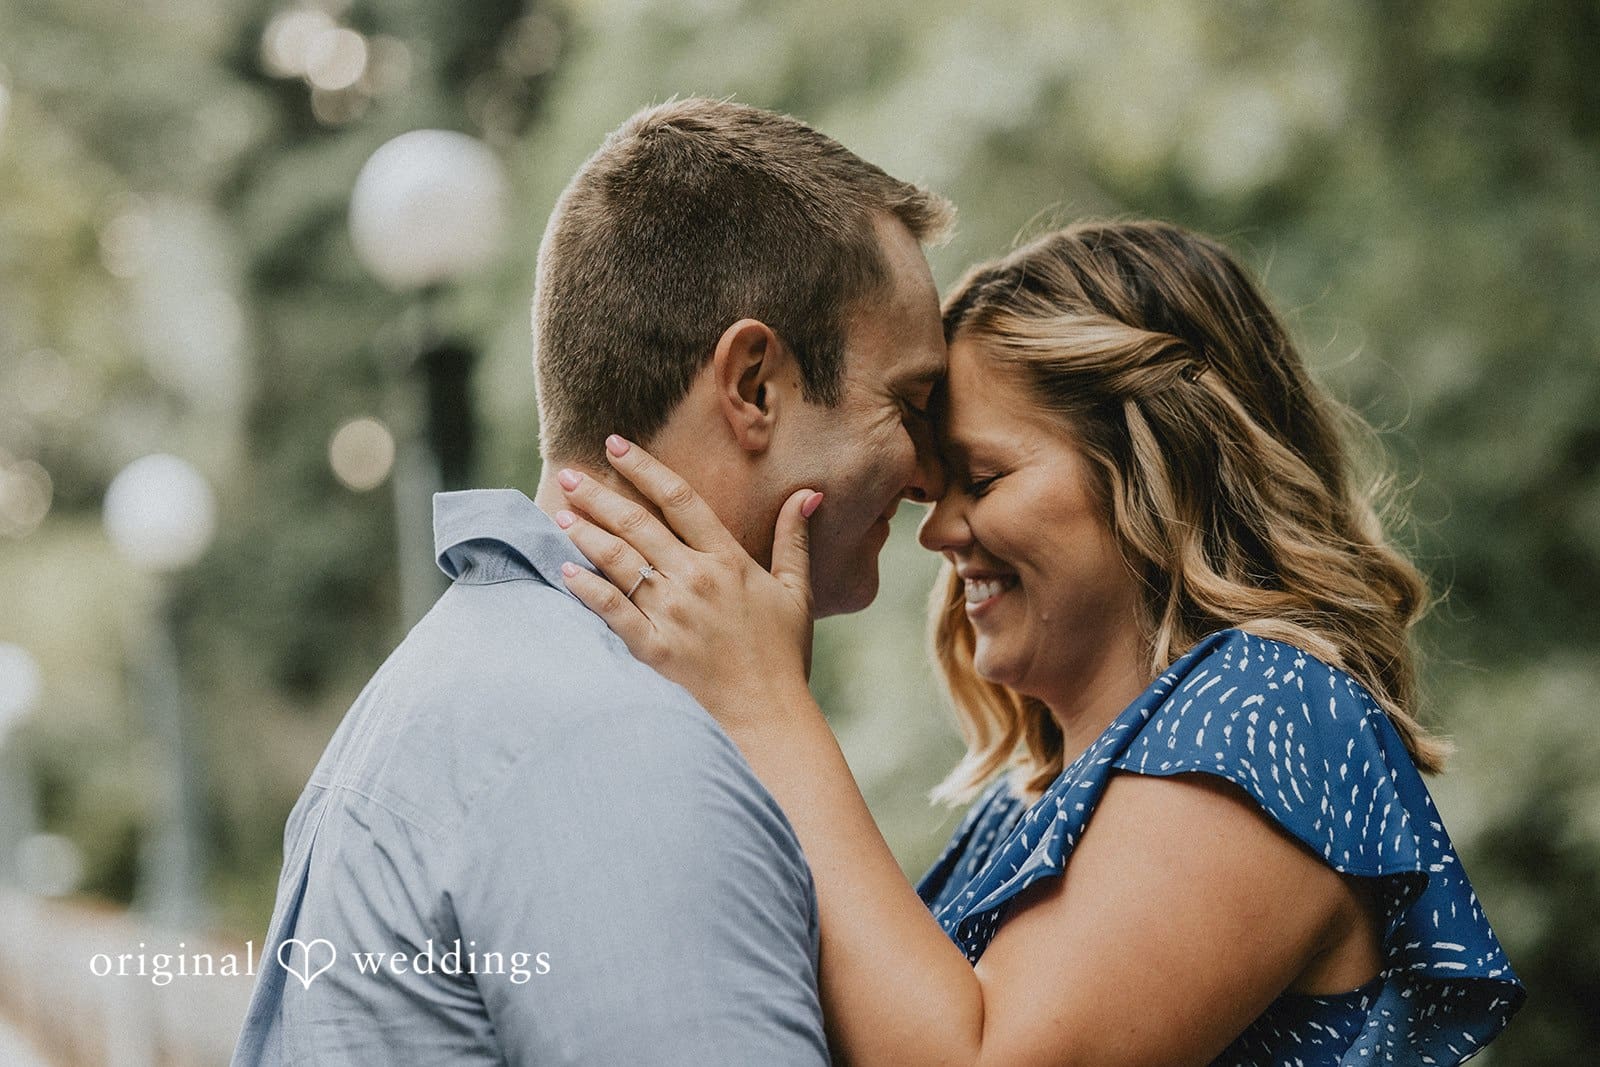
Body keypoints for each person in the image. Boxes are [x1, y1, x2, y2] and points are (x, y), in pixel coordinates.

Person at [554, 220, 1527, 1065]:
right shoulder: (1025, 803)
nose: (935, 531)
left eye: (982, 477)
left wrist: (767, 706)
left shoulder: (1271, 708)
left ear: (1155, 463)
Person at [232, 97, 952, 1065]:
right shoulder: (616, 741)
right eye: (907, 402)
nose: (928, 474)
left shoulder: (473, 680)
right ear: (753, 386)